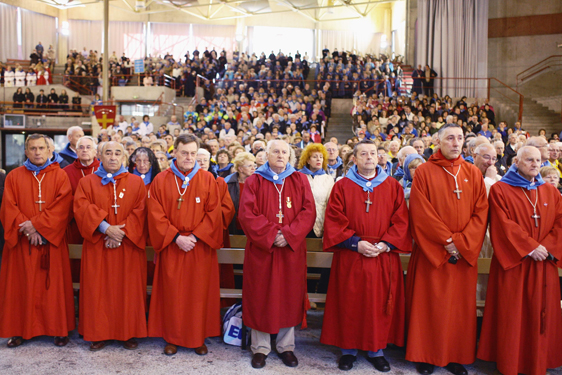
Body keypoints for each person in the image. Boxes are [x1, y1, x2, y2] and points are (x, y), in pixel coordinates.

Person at [321, 139, 412, 372]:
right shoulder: (342, 186)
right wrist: (355, 243)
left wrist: (385, 244)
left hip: (382, 255)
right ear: (354, 159)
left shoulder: (392, 186)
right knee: (350, 303)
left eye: (373, 153)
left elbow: (401, 221)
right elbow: (334, 220)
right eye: (364, 154)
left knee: (378, 305)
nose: (369, 157)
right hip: (352, 254)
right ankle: (348, 351)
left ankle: (376, 350)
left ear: (379, 157)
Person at [406, 124, 489, 375]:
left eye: (459, 138)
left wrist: (461, 244)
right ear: (438, 141)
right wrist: (446, 241)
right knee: (430, 307)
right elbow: (421, 212)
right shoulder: (424, 171)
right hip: (434, 253)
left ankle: (455, 356)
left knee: (459, 310)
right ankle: (427, 356)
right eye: (450, 138)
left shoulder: (473, 172)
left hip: (462, 256)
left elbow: (481, 212)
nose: (455, 143)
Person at [477, 146, 562, 375]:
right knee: (512, 316)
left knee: (539, 314)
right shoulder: (500, 190)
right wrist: (530, 247)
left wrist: (547, 248)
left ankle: (537, 361)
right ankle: (510, 362)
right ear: (517, 161)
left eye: (538, 160)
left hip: (544, 263)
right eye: (529, 160)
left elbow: (560, 224)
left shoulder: (550, 192)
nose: (535, 164)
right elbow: (502, 225)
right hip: (515, 264)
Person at [238, 140, 315, 369]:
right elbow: (246, 214)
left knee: (289, 295)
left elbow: (308, 211)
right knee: (260, 295)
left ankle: (286, 346)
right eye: (276, 151)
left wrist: (289, 235)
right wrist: (272, 235)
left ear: (290, 155)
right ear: (266, 154)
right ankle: (260, 347)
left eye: (284, 152)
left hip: (291, 251)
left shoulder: (300, 179)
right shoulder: (255, 180)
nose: (280, 155)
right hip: (263, 250)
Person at [147, 134, 222, 356]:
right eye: (184, 152)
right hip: (172, 244)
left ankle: (197, 337)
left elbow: (214, 214)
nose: (188, 157)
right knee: (172, 295)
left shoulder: (208, 179)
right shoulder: (161, 179)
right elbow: (154, 214)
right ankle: (172, 337)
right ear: (175, 152)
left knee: (197, 295)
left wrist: (196, 237)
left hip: (199, 246)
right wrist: (175, 237)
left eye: (192, 153)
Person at [0, 134, 74, 348]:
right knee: (21, 287)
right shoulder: (14, 176)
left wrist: (38, 227)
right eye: (32, 148)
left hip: (50, 243)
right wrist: (29, 229)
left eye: (41, 148)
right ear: (26, 152)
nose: (37, 152)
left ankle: (58, 329)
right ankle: (19, 329)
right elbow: (8, 207)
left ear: (50, 151)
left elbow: (64, 207)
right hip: (23, 244)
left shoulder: (60, 176)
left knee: (53, 289)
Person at [74, 141, 148, 351]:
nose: (113, 157)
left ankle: (127, 332)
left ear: (124, 157)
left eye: (117, 153)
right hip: (99, 246)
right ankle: (98, 333)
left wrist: (120, 233)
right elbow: (81, 208)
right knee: (98, 291)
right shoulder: (87, 182)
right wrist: (106, 228)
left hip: (127, 247)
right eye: (108, 153)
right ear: (100, 156)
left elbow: (141, 211)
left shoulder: (136, 182)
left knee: (128, 291)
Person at [297, 143, 334, 238]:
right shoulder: (298, 177)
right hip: (300, 225)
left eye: (321, 157)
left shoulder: (328, 179)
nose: (319, 159)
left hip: (320, 225)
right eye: (315, 157)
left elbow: (331, 204)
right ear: (308, 160)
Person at [225, 152, 256, 235]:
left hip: (252, 226)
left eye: (254, 166)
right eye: (249, 166)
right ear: (240, 168)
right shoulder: (228, 183)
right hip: (233, 225)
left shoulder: (258, 183)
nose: (253, 168)